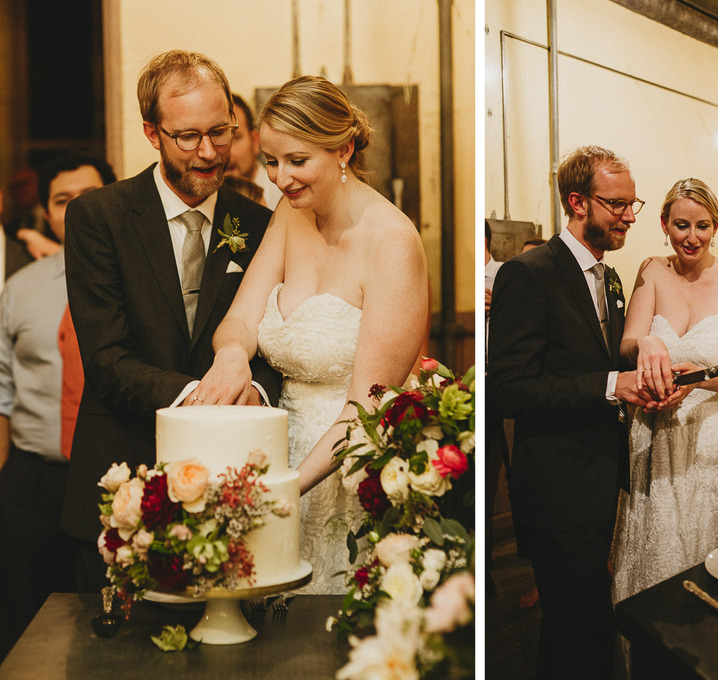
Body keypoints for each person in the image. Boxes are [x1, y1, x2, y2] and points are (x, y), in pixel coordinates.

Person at [192, 76, 429, 595]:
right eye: (271, 161)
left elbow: (367, 405)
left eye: (297, 161)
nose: (281, 178)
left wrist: (287, 489)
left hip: (345, 469)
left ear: (343, 149)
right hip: (274, 449)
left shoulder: (392, 241)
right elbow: (239, 319)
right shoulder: (290, 213)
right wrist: (231, 355)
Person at [60, 50, 281, 591]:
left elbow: (277, 343)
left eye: (220, 132)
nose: (208, 152)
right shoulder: (99, 217)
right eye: (187, 137)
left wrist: (254, 390)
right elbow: (107, 359)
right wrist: (205, 398)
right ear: (151, 133)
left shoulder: (260, 224)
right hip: (124, 477)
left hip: (230, 483)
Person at [488, 146, 650, 680]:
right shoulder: (527, 273)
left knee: (574, 630)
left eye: (632, 204)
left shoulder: (610, 277)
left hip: (601, 476)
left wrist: (644, 380)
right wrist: (610, 386)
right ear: (577, 202)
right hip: (556, 484)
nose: (629, 216)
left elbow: (602, 361)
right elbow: (509, 390)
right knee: (580, 628)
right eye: (617, 204)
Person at [611, 177, 718, 602]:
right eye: (681, 225)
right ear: (664, 224)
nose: (692, 237)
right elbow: (627, 343)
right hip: (662, 432)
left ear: (715, 227)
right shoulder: (652, 270)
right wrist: (644, 345)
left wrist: (699, 379)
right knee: (662, 551)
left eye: (702, 226)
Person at [0, 152, 115, 660]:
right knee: (24, 625)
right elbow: (2, 384)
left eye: (90, 197)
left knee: (106, 626)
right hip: (35, 482)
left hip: (115, 481)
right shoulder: (20, 289)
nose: (78, 210)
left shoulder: (141, 282)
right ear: (46, 214)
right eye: (63, 201)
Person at [227, 93, 283, 210]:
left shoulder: (284, 195)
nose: (226, 152)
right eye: (216, 138)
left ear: (255, 140)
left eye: (234, 138)